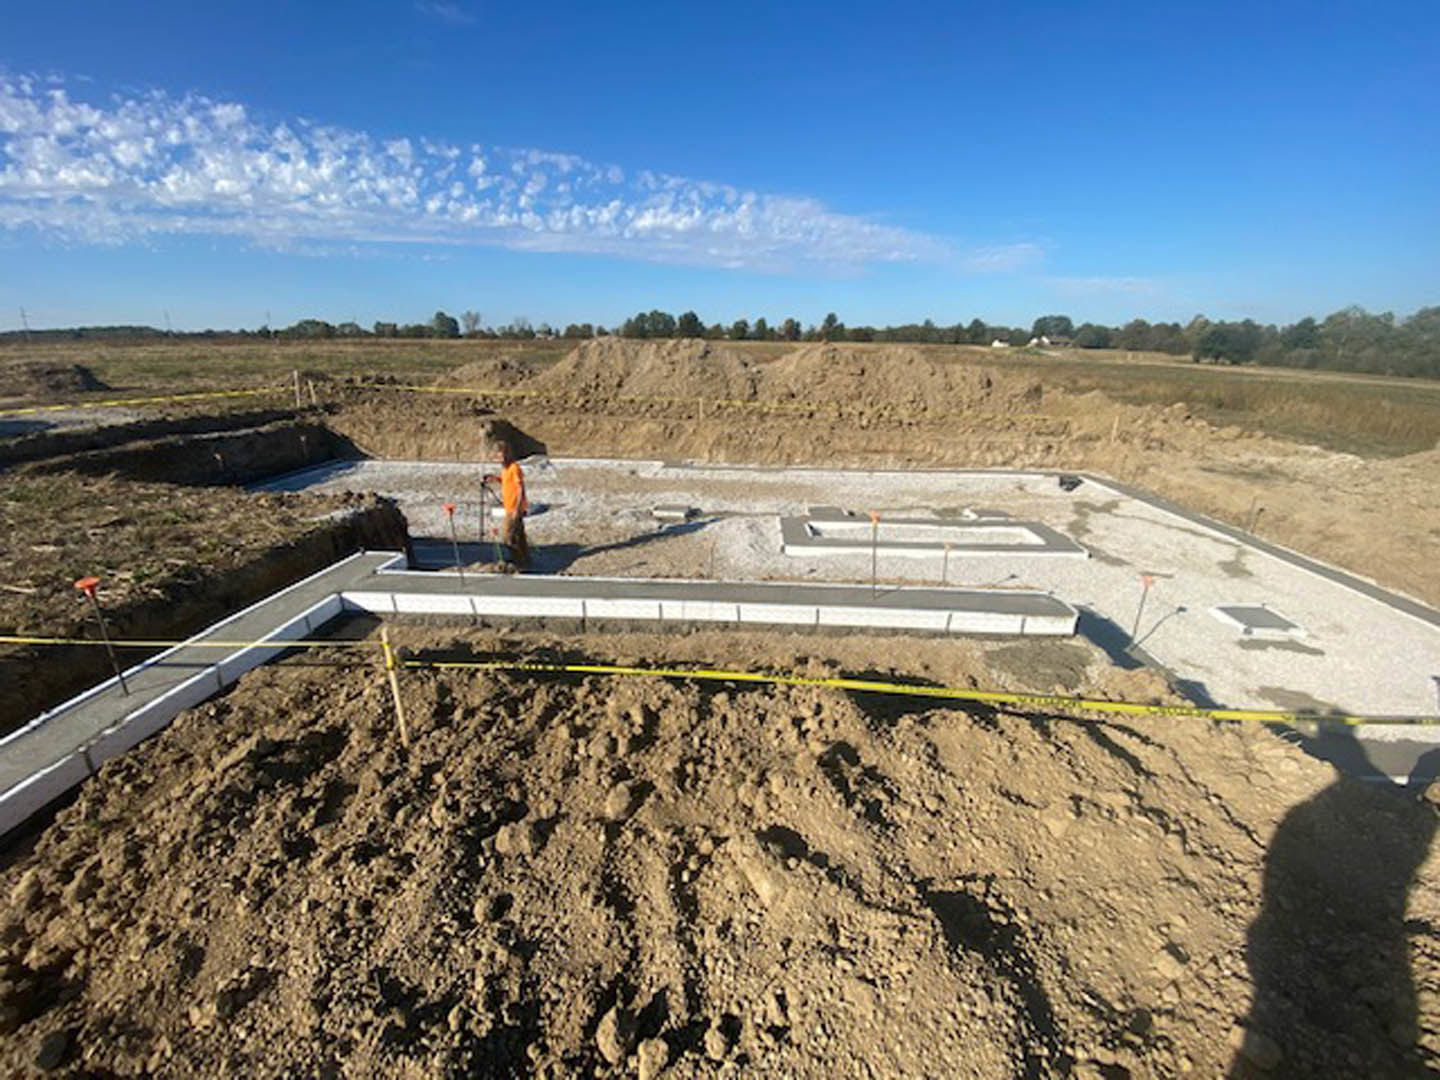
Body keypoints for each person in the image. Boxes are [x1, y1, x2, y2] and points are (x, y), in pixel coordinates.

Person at [483, 440, 529, 568]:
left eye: (500, 455)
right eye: (497, 456)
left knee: (509, 537)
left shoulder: (514, 468)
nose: (498, 459)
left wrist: (517, 508)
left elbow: (520, 488)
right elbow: (506, 481)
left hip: (515, 508)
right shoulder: (505, 469)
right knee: (519, 535)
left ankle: (517, 561)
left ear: (507, 454)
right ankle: (525, 560)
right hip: (508, 506)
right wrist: (495, 479)